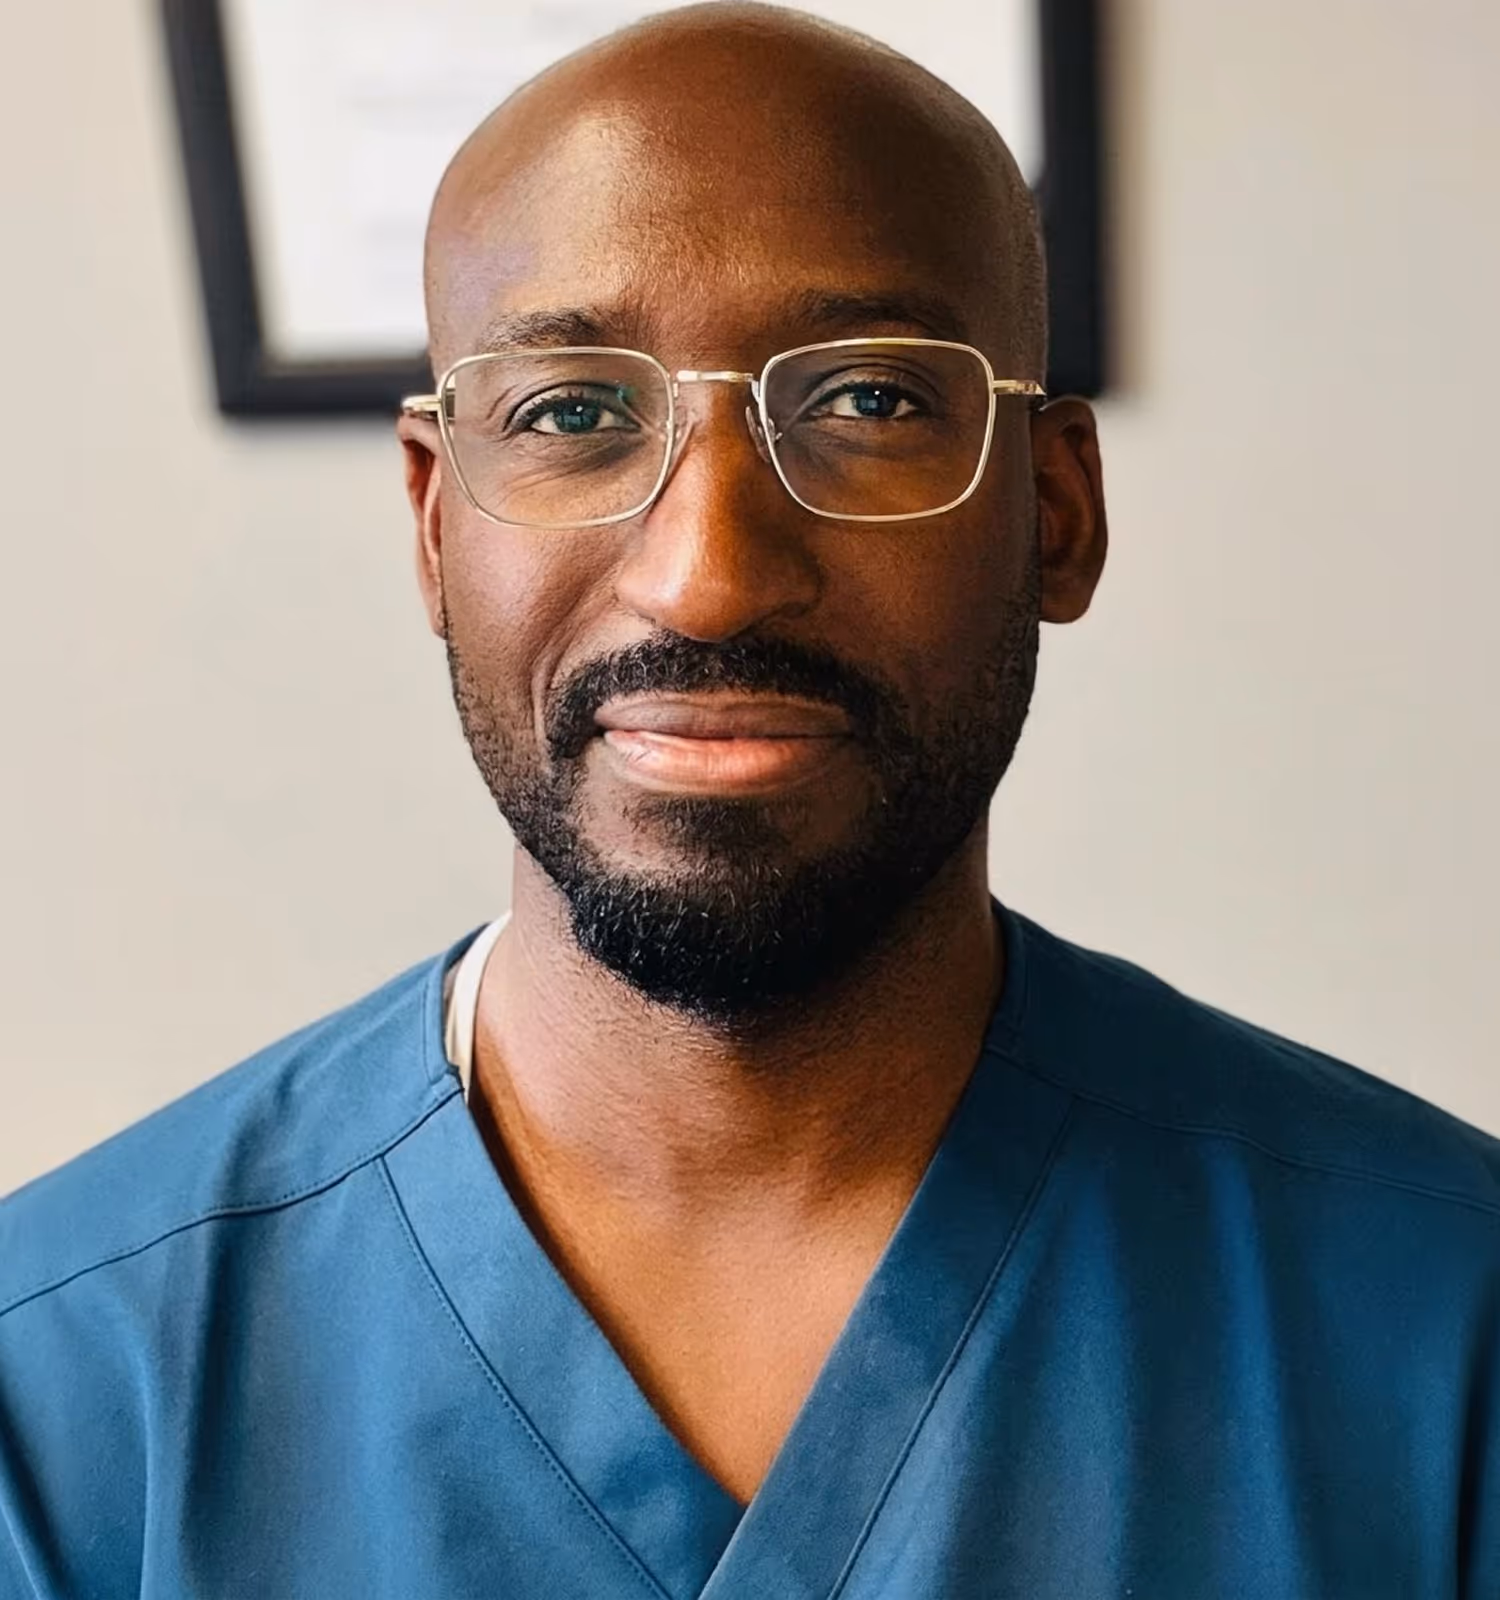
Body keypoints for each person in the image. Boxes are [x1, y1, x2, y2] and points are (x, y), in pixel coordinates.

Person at [2, 5, 1497, 1595]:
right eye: (572, 412)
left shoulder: (1448, 1328)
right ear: (436, 529)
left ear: (1054, 512)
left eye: (864, 402)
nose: (707, 573)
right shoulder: (62, 1394)